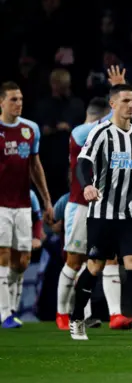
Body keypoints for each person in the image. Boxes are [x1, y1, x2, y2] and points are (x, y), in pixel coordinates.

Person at [69, 83, 132, 341]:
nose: (131, 105)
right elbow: (83, 163)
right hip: (102, 213)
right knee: (94, 267)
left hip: (131, 214)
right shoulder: (100, 133)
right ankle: (76, 318)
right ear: (112, 104)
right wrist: (88, 185)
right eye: (125, 101)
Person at [55, 95, 132, 331]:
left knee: (110, 258)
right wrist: (117, 103)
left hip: (105, 208)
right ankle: (62, 313)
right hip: (80, 205)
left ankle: (116, 315)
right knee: (74, 261)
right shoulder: (80, 132)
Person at [0, 81, 53, 329]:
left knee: (21, 261)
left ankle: (9, 308)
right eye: (13, 99)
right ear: (1, 102)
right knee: (2, 255)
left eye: (20, 99)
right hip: (1, 204)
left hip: (22, 203)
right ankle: (5, 314)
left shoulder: (30, 129)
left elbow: (35, 166)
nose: (18, 103)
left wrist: (46, 199)